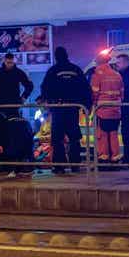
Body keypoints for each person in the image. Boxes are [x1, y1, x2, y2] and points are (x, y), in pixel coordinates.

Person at [40, 46, 92, 174]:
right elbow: (85, 88)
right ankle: (75, 165)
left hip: (58, 108)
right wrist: (87, 105)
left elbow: (45, 88)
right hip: (73, 109)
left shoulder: (53, 70)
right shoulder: (76, 69)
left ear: (56, 56)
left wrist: (47, 101)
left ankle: (59, 166)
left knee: (57, 139)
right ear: (67, 55)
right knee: (74, 138)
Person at [91, 52, 124, 164]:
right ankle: (115, 157)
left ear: (99, 61)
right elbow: (121, 93)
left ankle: (104, 158)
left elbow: (94, 93)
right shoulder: (117, 74)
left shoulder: (97, 74)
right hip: (116, 111)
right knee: (114, 134)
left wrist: (93, 106)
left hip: (102, 110)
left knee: (103, 135)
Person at [0, 53, 34, 118]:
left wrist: (23, 98)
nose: (10, 65)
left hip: (13, 106)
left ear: (14, 61)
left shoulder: (18, 73)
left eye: (11, 62)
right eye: (8, 62)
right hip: (0, 106)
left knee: (13, 126)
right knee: (1, 126)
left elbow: (30, 86)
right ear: (4, 61)